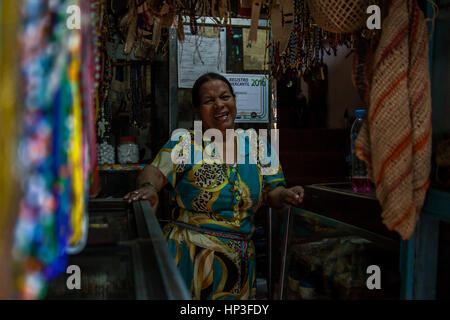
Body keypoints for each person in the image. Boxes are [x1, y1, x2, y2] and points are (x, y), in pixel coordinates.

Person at [124, 72, 304, 300]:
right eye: (209, 101)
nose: (219, 104)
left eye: (225, 96)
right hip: (191, 258)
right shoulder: (186, 142)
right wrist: (149, 187)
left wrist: (286, 194)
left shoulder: (258, 145)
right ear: (198, 111)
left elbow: (272, 192)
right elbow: (155, 171)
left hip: (239, 263)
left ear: (234, 101)